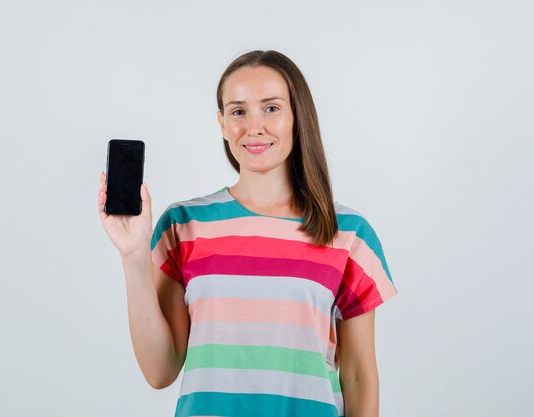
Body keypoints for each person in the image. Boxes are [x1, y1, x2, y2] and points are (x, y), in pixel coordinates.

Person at [97, 49, 398, 417]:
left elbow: (359, 376)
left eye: (271, 108)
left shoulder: (349, 234)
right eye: (238, 111)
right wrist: (133, 256)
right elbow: (160, 371)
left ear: (296, 118)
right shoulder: (184, 224)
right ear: (222, 123)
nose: (253, 126)